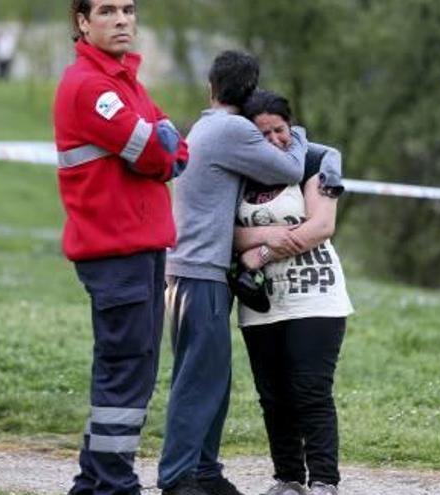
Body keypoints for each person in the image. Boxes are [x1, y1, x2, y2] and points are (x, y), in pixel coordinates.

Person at [53, 1, 188, 494]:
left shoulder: (125, 82)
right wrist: (161, 145)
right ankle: (114, 483)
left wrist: (162, 144)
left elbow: (179, 148)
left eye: (128, 9)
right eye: (107, 10)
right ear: (82, 23)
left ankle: (94, 481)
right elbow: (159, 150)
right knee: (125, 372)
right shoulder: (90, 86)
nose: (123, 19)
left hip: (141, 247)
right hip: (115, 251)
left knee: (130, 369)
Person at [159, 51, 308, 495]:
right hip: (199, 271)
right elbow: (291, 167)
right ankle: (177, 477)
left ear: (211, 87)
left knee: (212, 379)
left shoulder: (207, 125)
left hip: (192, 270)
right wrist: (296, 133)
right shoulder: (233, 129)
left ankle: (205, 472)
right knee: (198, 380)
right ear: (247, 94)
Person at [234, 90, 353, 495]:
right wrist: (275, 236)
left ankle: (324, 480)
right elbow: (227, 234)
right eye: (262, 133)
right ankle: (288, 479)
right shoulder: (239, 172)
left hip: (315, 295)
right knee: (273, 396)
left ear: (291, 126)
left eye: (279, 130)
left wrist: (260, 250)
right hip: (262, 303)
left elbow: (320, 226)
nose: (273, 141)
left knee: (310, 390)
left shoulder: (314, 162)